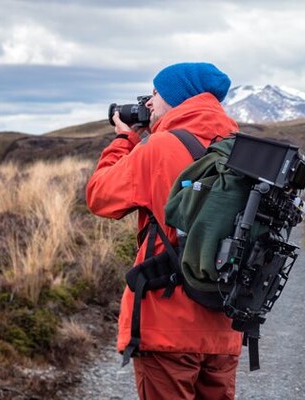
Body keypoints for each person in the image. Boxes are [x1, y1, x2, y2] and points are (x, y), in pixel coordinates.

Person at [86, 62, 243, 399]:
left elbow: (100, 197)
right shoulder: (240, 149)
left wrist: (124, 141)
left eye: (155, 93)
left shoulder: (157, 149)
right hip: (224, 325)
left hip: (168, 322)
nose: (149, 104)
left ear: (176, 96)